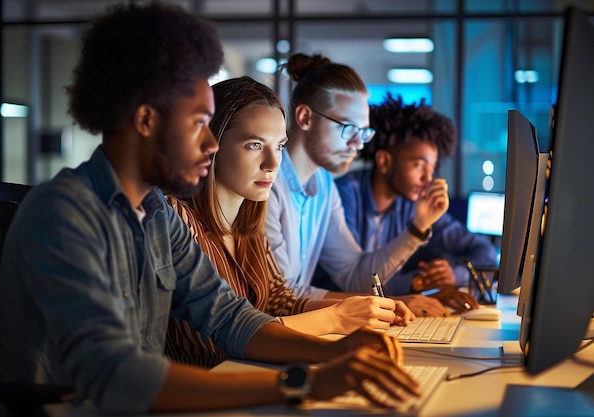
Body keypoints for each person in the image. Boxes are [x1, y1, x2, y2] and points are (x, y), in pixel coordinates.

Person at [0, 3, 421, 416]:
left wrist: (337, 353)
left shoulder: (157, 213)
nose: (210, 143)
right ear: (146, 121)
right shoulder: (64, 213)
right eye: (200, 124)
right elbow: (116, 375)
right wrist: (304, 382)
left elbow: (226, 316)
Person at [163, 76, 414, 368]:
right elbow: (215, 342)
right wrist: (335, 318)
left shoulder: (249, 219)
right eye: (254, 145)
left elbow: (280, 301)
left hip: (250, 378)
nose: (272, 163)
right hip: (205, 393)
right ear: (211, 143)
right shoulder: (176, 218)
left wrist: (363, 310)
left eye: (280, 146)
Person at [265, 52, 448, 317]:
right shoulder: (266, 182)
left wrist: (417, 229)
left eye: (364, 132)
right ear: (305, 117)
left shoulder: (324, 185)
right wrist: (388, 303)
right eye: (348, 128)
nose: (357, 145)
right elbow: (281, 295)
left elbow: (353, 274)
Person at [334, 94, 496, 312]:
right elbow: (352, 280)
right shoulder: (343, 197)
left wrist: (452, 274)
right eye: (419, 165)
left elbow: (484, 251)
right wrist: (413, 283)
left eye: (432, 168)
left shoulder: (413, 205)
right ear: (384, 161)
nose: (428, 179)